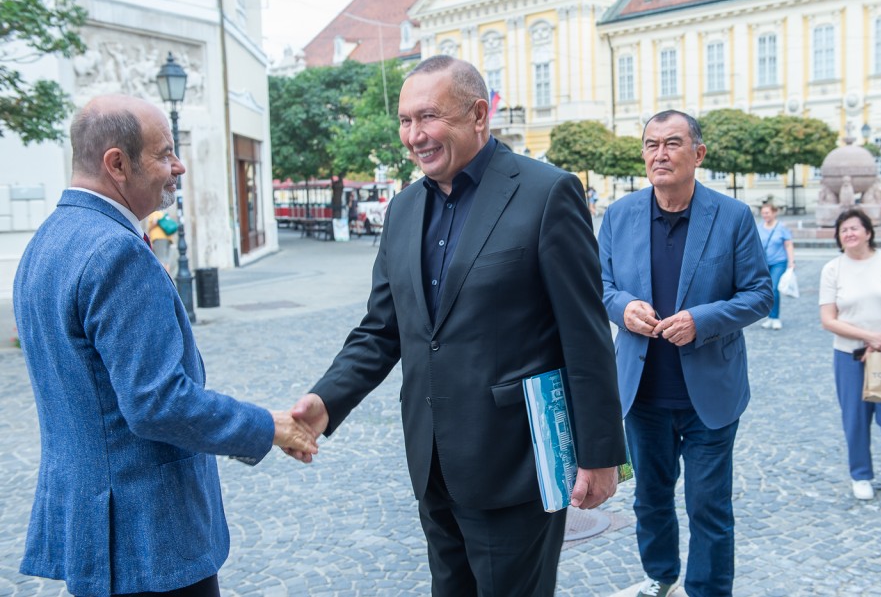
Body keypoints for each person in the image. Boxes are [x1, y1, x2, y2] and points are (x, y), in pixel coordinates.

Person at [287, 56, 626, 596]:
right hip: (432, 463)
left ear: (478, 115)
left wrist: (600, 453)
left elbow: (585, 335)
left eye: (429, 117)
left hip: (515, 463)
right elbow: (382, 330)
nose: (414, 136)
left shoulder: (546, 193)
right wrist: (326, 401)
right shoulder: (402, 210)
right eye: (405, 120)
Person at [13, 94, 317, 597]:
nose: (178, 166)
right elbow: (158, 402)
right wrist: (270, 426)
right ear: (117, 164)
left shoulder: (47, 239)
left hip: (94, 530)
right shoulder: (115, 251)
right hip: (147, 541)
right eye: (164, 153)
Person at [599, 110, 772, 597]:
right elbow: (599, 285)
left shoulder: (732, 216)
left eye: (672, 143)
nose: (660, 154)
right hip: (643, 393)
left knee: (708, 506)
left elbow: (760, 294)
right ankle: (660, 575)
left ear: (698, 154)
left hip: (710, 394)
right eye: (651, 144)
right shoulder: (619, 216)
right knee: (651, 499)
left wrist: (702, 320)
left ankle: (708, 590)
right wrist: (622, 307)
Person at [818, 208, 881, 501]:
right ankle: (860, 475)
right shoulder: (833, 269)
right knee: (855, 418)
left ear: (868, 232)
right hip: (849, 356)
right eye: (843, 230)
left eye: (854, 228)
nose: (848, 233)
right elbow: (828, 319)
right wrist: (868, 337)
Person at [757, 201, 794, 330]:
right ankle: (770, 317)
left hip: (779, 262)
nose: (765, 215)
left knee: (774, 288)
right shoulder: (759, 227)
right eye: (763, 213)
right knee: (766, 290)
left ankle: (775, 317)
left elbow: (788, 245)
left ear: (774, 213)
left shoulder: (781, 227)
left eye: (767, 213)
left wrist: (791, 261)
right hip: (764, 263)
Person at [146, 208, 175, 272]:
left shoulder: (154, 212)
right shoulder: (163, 213)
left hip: (158, 238)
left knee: (160, 259)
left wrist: (149, 230)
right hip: (168, 238)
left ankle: (163, 276)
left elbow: (155, 221)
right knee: (166, 260)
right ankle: (167, 275)